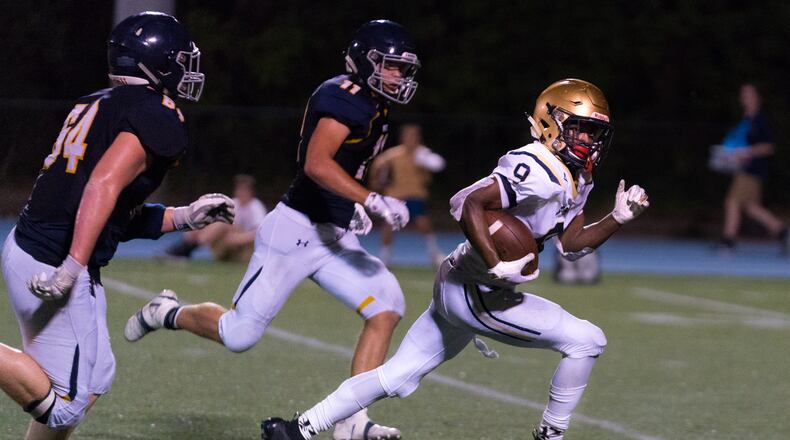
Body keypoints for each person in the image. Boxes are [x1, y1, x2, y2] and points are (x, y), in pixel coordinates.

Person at [261, 79, 650, 440]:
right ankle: (550, 436)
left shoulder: (578, 177)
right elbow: (465, 203)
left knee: (396, 376)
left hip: (466, 280)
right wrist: (495, 263)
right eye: (581, 128)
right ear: (552, 121)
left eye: (594, 132)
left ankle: (298, 429)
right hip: (478, 288)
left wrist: (617, 218)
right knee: (587, 340)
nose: (588, 139)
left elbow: (572, 245)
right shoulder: (533, 166)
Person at [124, 19, 422, 440]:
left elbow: (345, 165)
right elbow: (316, 164)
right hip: (295, 232)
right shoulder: (345, 98)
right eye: (389, 66)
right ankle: (167, 312)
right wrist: (368, 199)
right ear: (364, 62)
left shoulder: (375, 105)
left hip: (333, 235)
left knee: (386, 306)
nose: (397, 76)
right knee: (240, 334)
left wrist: (348, 207)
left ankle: (352, 421)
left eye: (401, 69)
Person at [0, 12, 234, 439]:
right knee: (65, 406)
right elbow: (100, 187)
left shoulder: (98, 101)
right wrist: (71, 268)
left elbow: (105, 210)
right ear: (156, 63)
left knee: (97, 378)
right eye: (180, 59)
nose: (187, 69)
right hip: (54, 258)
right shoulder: (159, 116)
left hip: (34, 245)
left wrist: (183, 216)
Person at [717, 83, 789, 254]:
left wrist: (746, 152)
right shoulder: (746, 119)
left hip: (751, 170)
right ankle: (783, 232)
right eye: (743, 94)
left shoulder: (759, 120)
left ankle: (728, 242)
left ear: (757, 97)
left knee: (732, 202)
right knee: (751, 207)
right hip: (743, 168)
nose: (745, 97)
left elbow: (768, 146)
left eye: (749, 94)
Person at [369, 124, 446, 267]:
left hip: (415, 195)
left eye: (414, 136)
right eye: (408, 136)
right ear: (402, 137)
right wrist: (377, 182)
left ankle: (434, 252)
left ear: (418, 137)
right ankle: (385, 256)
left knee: (423, 223)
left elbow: (436, 166)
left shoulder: (423, 155)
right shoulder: (393, 155)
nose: (411, 139)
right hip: (396, 195)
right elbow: (378, 167)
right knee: (388, 224)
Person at [165, 174, 268, 262]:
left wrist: (239, 238)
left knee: (223, 222)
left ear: (251, 192)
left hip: (246, 249)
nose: (240, 192)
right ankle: (186, 247)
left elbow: (259, 234)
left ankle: (185, 250)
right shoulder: (234, 203)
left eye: (244, 190)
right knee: (208, 222)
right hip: (228, 244)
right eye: (239, 189)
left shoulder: (256, 207)